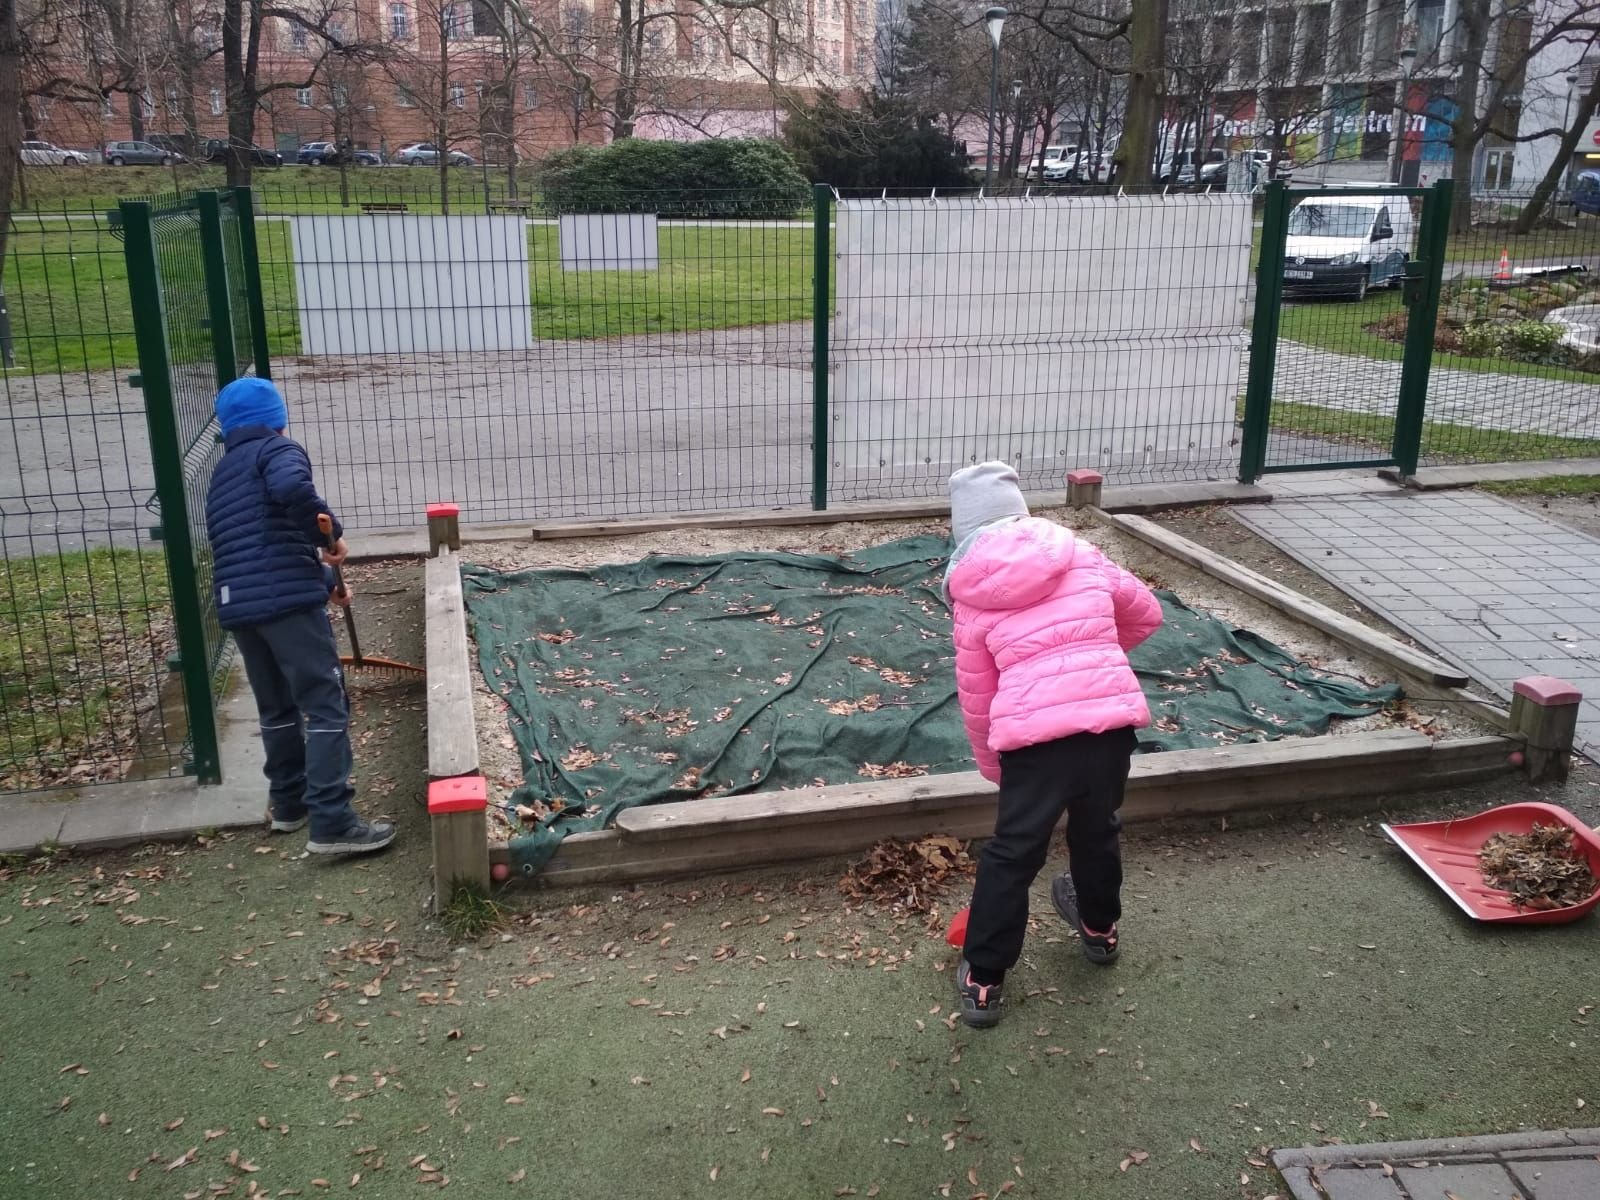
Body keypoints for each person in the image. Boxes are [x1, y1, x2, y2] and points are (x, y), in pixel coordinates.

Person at [944, 462, 1161, 1027]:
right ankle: (1099, 927)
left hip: (1034, 747)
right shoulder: (1080, 553)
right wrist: (1093, 659)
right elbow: (1146, 614)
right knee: (1097, 828)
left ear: (963, 530)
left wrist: (995, 767)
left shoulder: (971, 595)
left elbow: (978, 695)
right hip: (1109, 726)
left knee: (1014, 851)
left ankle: (984, 979)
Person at [205, 377, 396, 855]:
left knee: (276, 707)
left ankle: (289, 803)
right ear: (277, 419)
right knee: (325, 703)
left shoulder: (224, 472)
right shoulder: (277, 450)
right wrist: (329, 538)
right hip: (286, 608)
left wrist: (327, 582)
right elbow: (292, 490)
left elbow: (259, 544)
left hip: (240, 606)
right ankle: (333, 820)